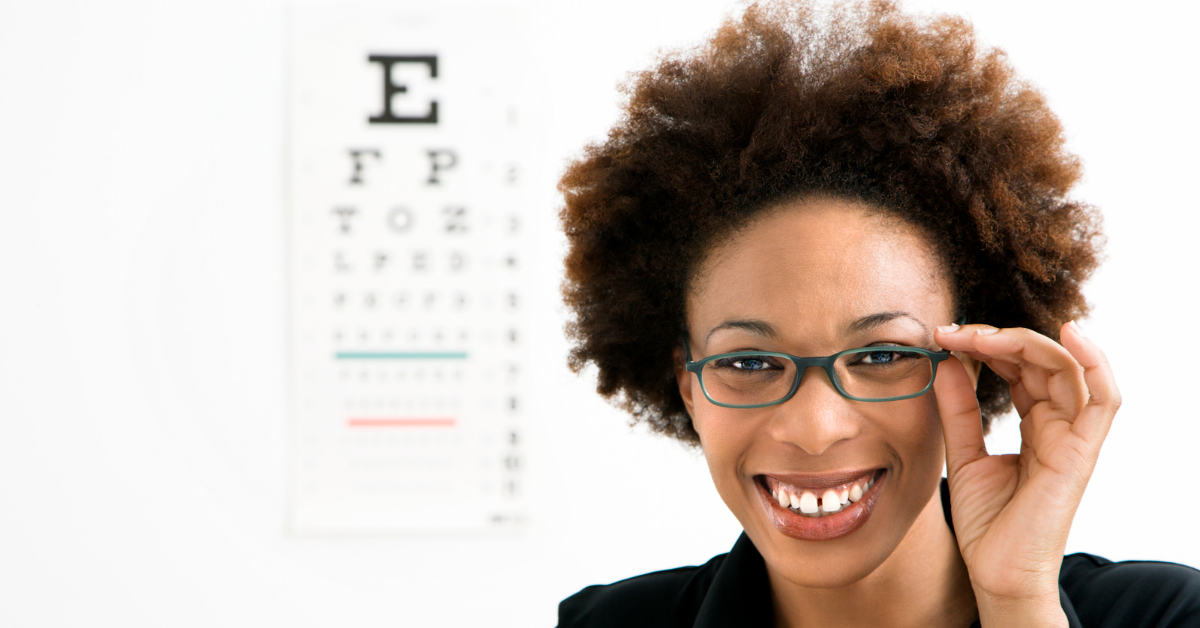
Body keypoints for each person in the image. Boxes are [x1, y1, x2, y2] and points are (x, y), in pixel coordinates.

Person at [554, 1, 1200, 627]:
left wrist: (1018, 601)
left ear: (974, 368)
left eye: (883, 355)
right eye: (748, 361)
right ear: (688, 385)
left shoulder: (1164, 614)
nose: (815, 429)